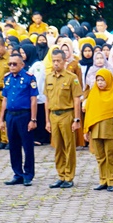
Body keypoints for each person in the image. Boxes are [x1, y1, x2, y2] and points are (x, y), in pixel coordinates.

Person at [83, 69, 113, 192]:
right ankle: (103, 180)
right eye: (98, 80)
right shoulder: (93, 94)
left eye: (102, 80)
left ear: (109, 80)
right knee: (100, 156)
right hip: (96, 131)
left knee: (111, 155)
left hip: (110, 130)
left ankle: (112, 180)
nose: (100, 83)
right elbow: (89, 113)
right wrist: (86, 130)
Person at [45, 49, 83, 188]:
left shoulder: (71, 77)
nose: (56, 63)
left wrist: (76, 119)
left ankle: (69, 176)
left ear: (64, 61)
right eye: (54, 61)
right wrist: (47, 121)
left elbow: (76, 99)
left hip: (67, 114)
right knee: (57, 147)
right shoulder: (49, 77)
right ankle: (60, 175)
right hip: (54, 115)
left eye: (58, 61)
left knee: (69, 146)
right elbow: (47, 100)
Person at [1, 53, 39, 186]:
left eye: (14, 64)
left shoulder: (29, 78)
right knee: (13, 146)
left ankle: (28, 174)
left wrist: (33, 119)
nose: (12, 66)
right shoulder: (7, 78)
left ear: (22, 65)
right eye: (10, 64)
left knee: (27, 146)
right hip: (11, 115)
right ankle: (17, 173)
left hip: (24, 115)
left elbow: (33, 99)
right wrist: (2, 119)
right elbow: (4, 99)